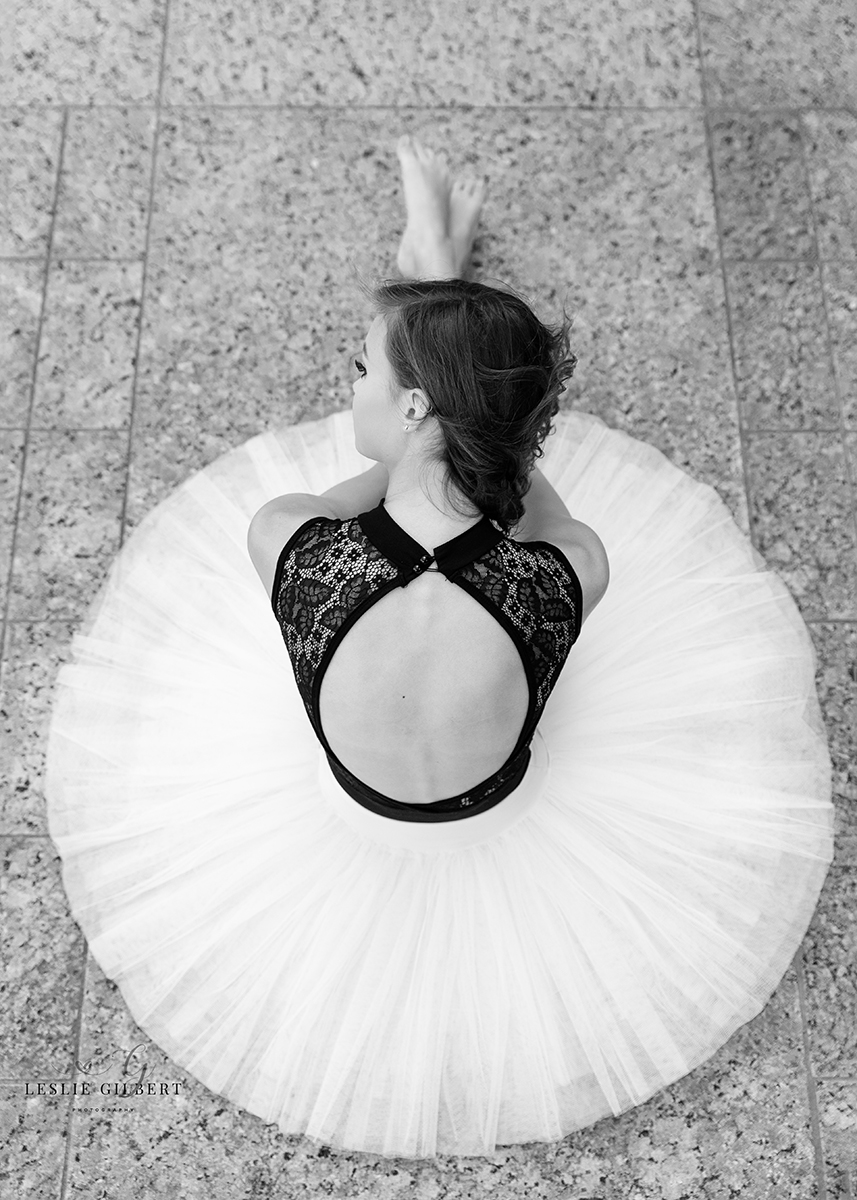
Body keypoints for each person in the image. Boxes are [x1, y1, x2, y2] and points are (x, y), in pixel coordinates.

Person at [45, 135, 834, 1159]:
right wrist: (475, 443)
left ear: (411, 405)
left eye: (361, 372)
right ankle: (437, 291)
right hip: (500, 791)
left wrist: (420, 449)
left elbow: (364, 487)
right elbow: (527, 498)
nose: (350, 386)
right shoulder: (571, 572)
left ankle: (432, 280)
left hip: (342, 801)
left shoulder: (284, 540)